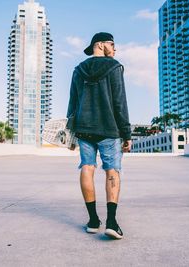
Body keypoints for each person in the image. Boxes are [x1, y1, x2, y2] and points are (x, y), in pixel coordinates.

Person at [66, 32, 132, 239]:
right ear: (101, 44)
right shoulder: (114, 67)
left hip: (84, 129)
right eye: (112, 44)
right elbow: (119, 102)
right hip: (108, 129)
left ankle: (93, 220)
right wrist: (126, 132)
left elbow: (73, 103)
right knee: (112, 170)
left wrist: (70, 133)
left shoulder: (78, 70)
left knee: (87, 167)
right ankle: (111, 221)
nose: (115, 48)